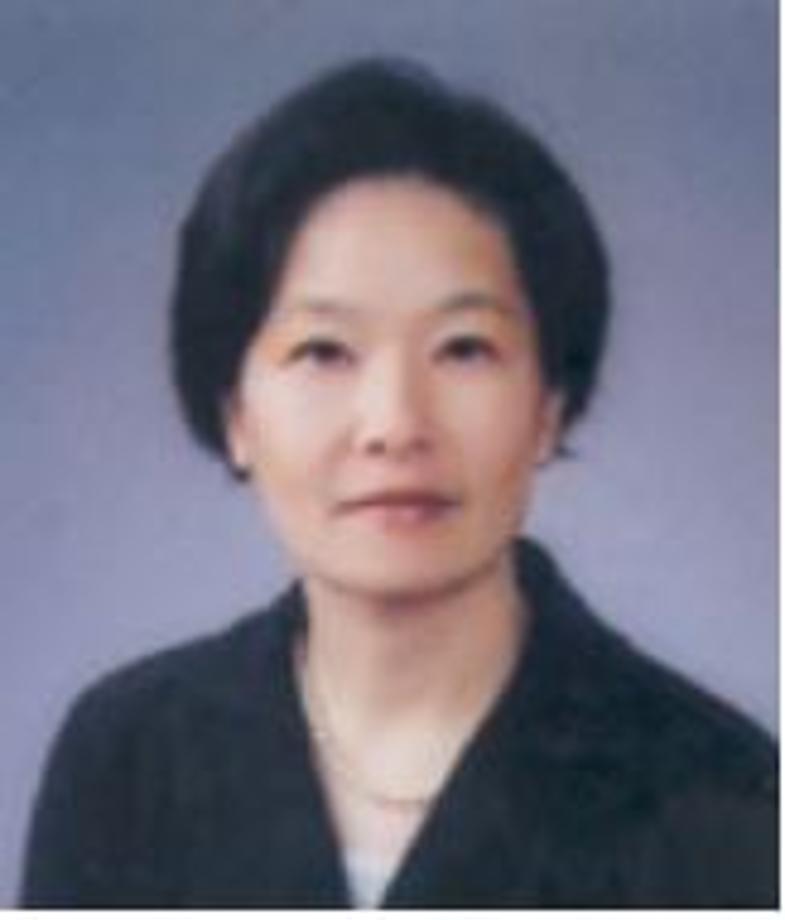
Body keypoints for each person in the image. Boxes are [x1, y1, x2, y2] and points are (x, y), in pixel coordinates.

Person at [21, 58, 777, 908]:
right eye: (323, 351)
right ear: (234, 411)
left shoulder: (717, 792)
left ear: (549, 406)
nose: (393, 424)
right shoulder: (127, 760)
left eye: (463, 349)